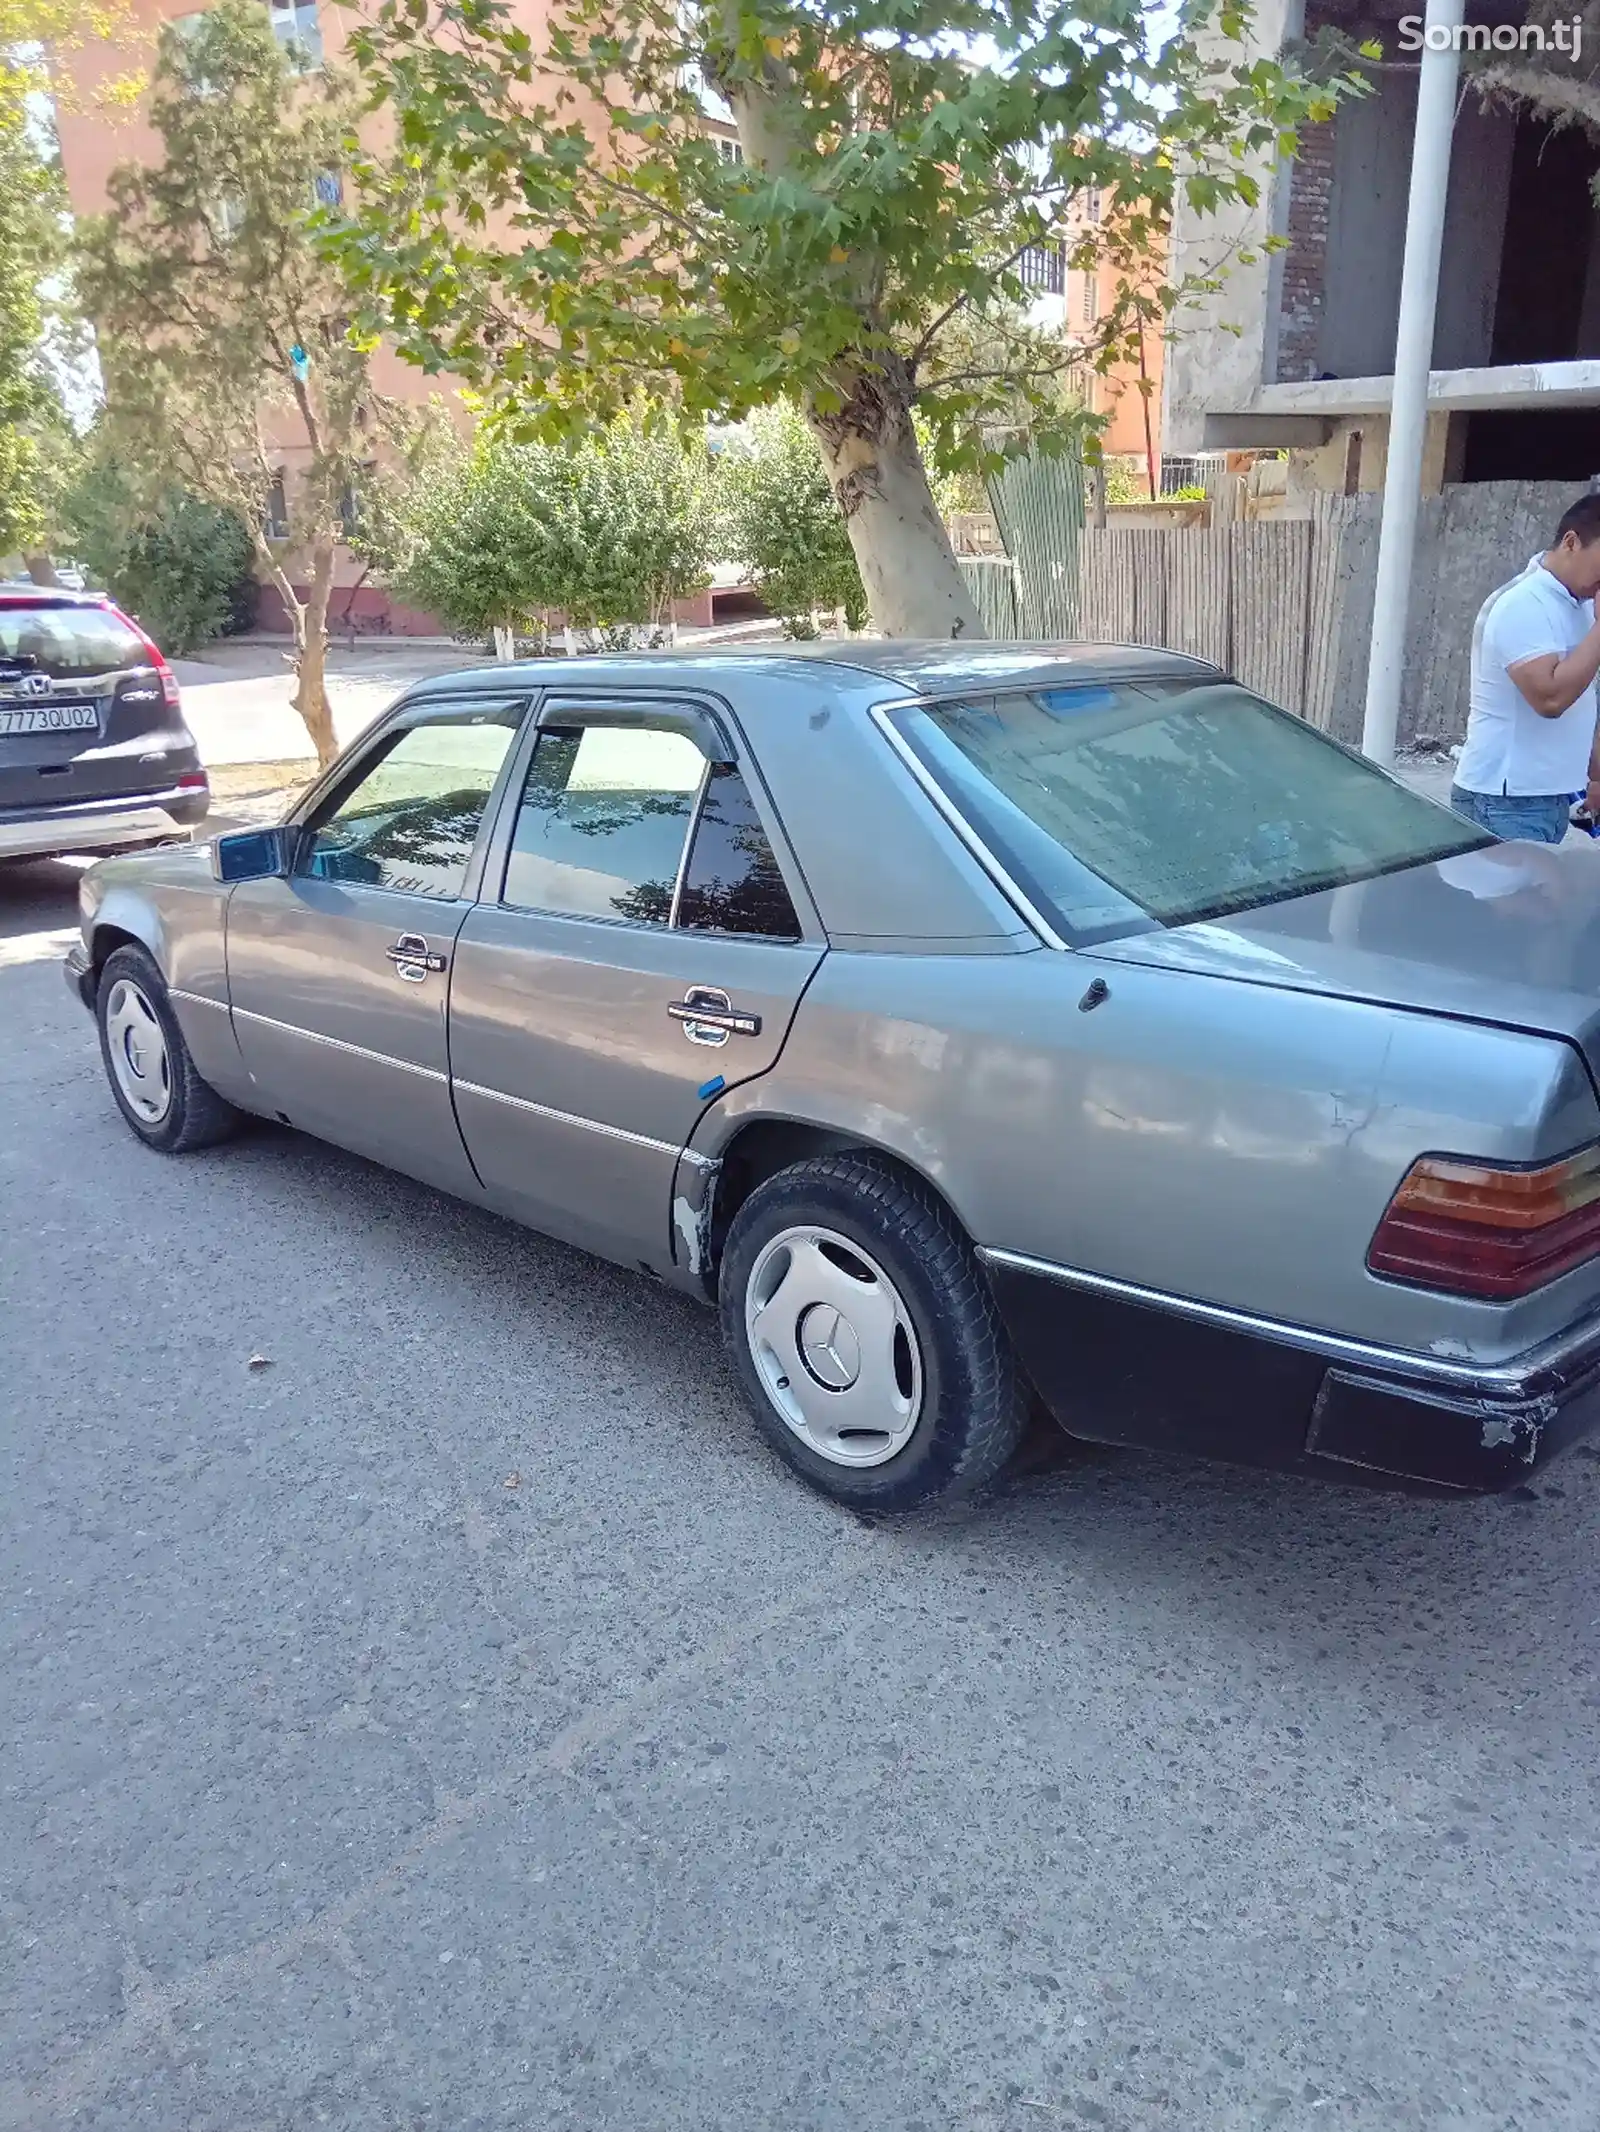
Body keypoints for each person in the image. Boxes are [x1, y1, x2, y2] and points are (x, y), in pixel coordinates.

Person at [1451, 493, 1600, 844]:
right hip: (1505, 802)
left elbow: (1583, 697)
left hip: (1543, 798)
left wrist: (1594, 776)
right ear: (1571, 542)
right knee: (1520, 900)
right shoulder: (1523, 604)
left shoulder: (1577, 604)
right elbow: (1550, 699)